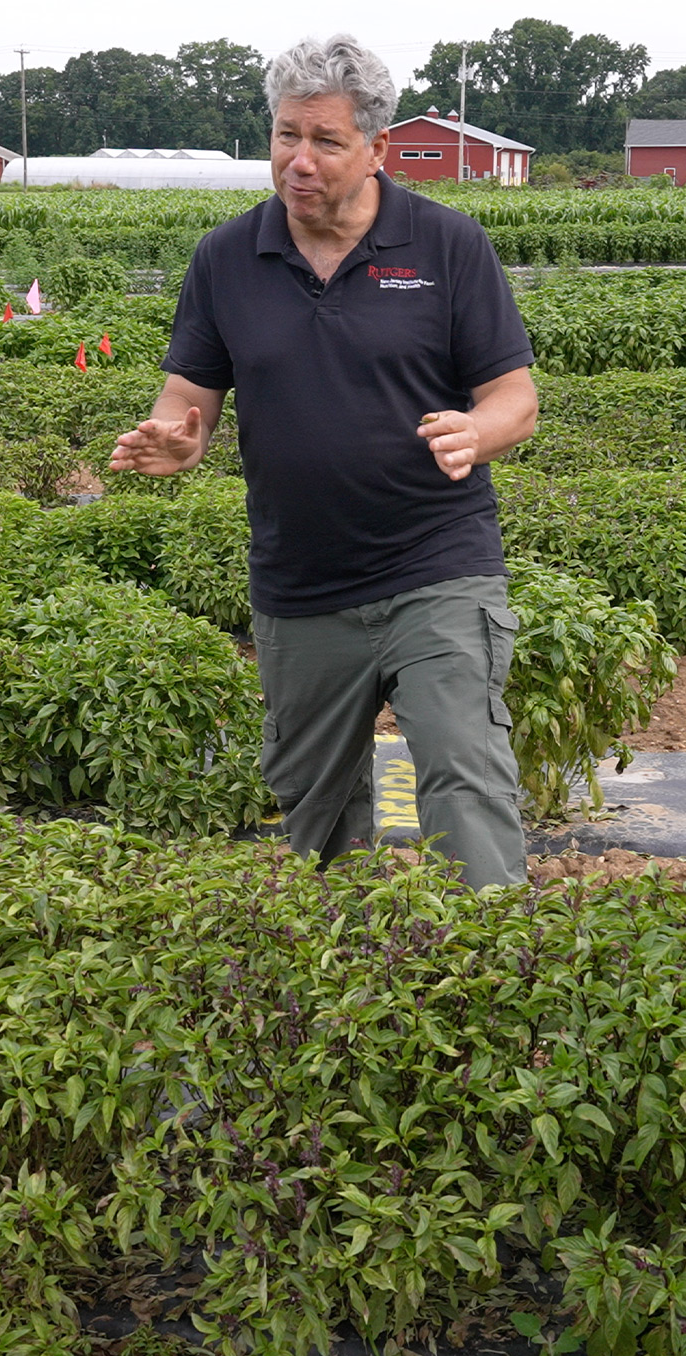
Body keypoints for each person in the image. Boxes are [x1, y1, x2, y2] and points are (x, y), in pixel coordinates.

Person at [109, 34, 540, 889]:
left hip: (437, 563)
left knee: (463, 773)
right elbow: (185, 398)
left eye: (325, 141)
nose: (298, 163)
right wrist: (176, 438)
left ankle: (492, 968)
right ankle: (337, 983)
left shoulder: (447, 246)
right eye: (285, 137)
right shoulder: (227, 258)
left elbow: (514, 399)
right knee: (314, 811)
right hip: (299, 585)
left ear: (377, 148)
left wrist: (474, 432)